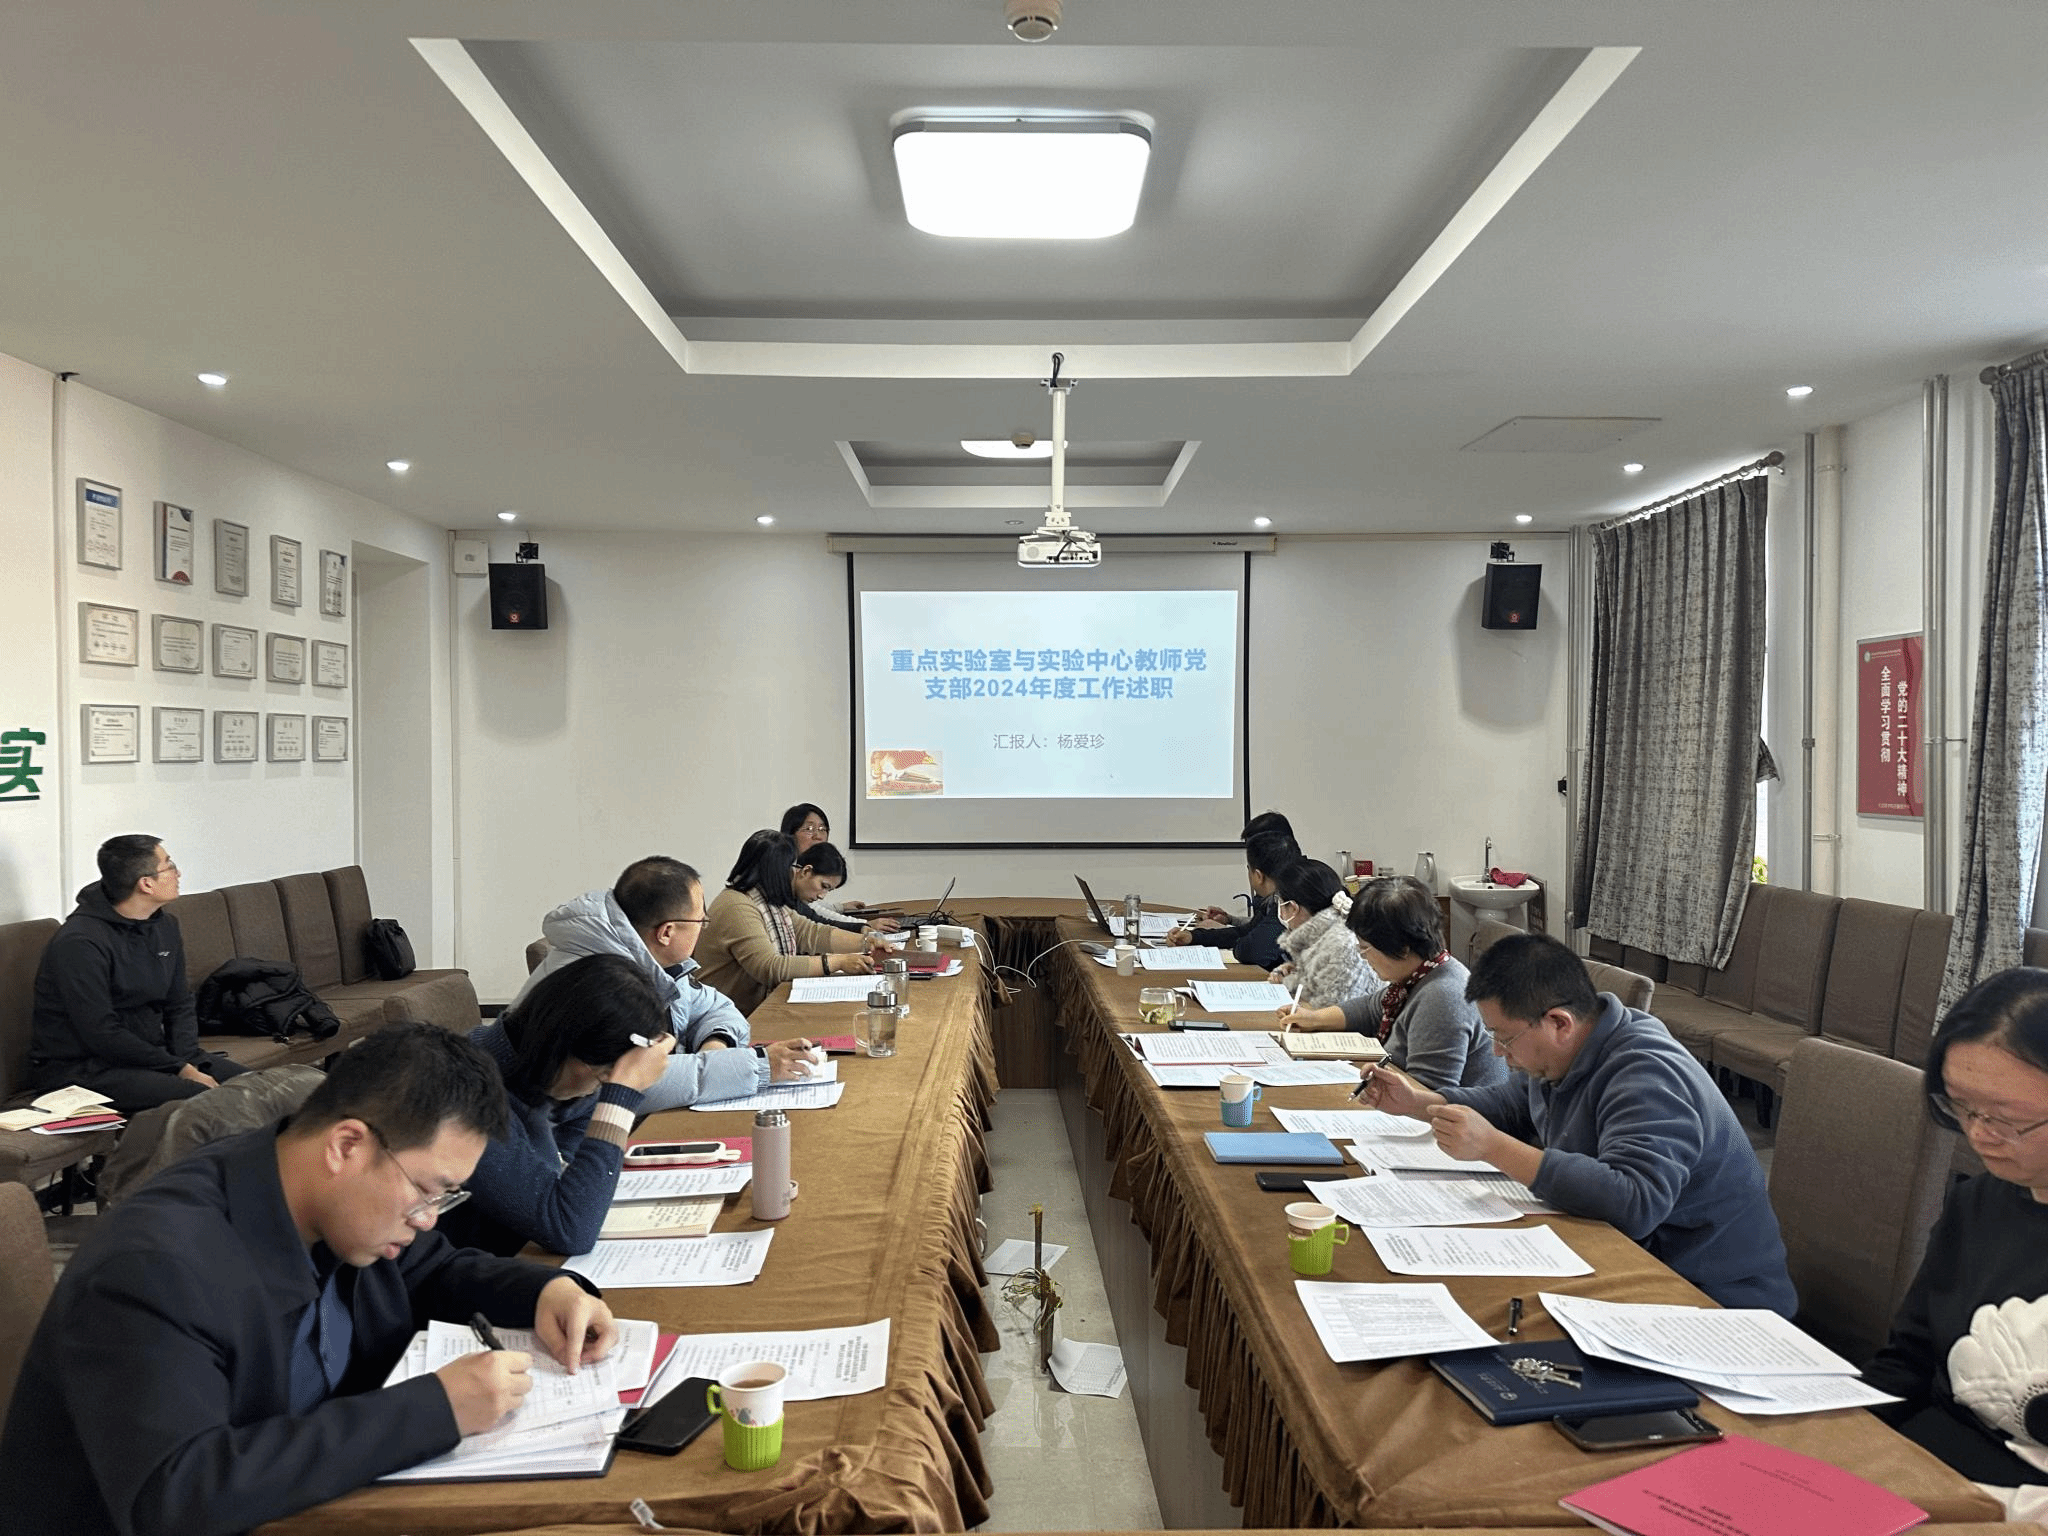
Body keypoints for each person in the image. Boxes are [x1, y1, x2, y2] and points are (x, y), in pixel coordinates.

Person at [0, 1023, 619, 1534]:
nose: (428, 1219)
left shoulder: (327, 1201)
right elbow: (176, 1494)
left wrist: (546, 1290)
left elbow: (436, 1268)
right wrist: (436, 1410)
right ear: (346, 1146)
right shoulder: (155, 1265)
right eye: (426, 1192)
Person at [1361, 932, 1794, 1314]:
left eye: (1505, 1037)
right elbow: (1510, 1105)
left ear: (1559, 1023)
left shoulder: (1647, 1074)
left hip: (1712, 1293)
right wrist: (1418, 1103)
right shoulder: (1561, 1054)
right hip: (1627, 1254)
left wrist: (1494, 1148)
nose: (1496, 1052)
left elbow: (1635, 1202)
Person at [1863, 967, 2048, 1518]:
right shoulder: (1978, 1203)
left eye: (2007, 1118)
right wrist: (1832, 1440)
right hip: (1928, 1467)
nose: (1979, 1134)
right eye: (1961, 1107)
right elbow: (1910, 1360)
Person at [517, 856, 814, 1111]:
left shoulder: (654, 960)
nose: (704, 928)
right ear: (667, 932)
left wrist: (716, 1044)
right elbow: (631, 1079)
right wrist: (758, 1066)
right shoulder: (599, 980)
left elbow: (716, 1006)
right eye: (700, 922)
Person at [28, 833, 248, 1112]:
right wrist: (179, 1068)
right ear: (146, 883)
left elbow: (179, 1003)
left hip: (151, 1057)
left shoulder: (165, 926)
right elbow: (101, 1032)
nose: (178, 873)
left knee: (262, 1087)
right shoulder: (79, 943)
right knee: (210, 1101)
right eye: (169, 866)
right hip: (86, 1069)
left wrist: (187, 1059)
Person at [1283, 876, 1502, 1091]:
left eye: (1365, 948)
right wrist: (1313, 1018)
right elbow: (1370, 1009)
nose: (1363, 957)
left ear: (1403, 948)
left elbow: (1426, 1092)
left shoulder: (1443, 996)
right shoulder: (1422, 973)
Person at [696, 829, 879, 1015]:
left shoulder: (768, 902)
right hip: (731, 1017)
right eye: (791, 867)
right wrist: (836, 962)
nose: (794, 873)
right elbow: (770, 967)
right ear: (774, 870)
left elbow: (810, 932)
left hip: (757, 1010)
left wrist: (867, 942)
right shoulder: (737, 906)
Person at [1166, 828, 1296, 971]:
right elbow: (1245, 932)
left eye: (1248, 869)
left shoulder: (1290, 903)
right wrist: (1193, 937)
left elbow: (1251, 951)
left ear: (1258, 876)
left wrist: (1241, 941)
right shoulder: (1275, 899)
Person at [1267, 857, 1382, 1014]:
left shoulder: (1341, 944)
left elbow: (1333, 1013)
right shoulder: (1326, 933)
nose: (1280, 912)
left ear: (1293, 908)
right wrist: (1293, 977)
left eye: (1280, 903)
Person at [777, 806, 899, 933]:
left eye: (822, 829)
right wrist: (865, 924)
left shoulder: (799, 874)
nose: (818, 836)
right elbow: (815, 916)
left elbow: (810, 909)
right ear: (789, 834)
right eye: (809, 829)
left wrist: (838, 907)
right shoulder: (781, 873)